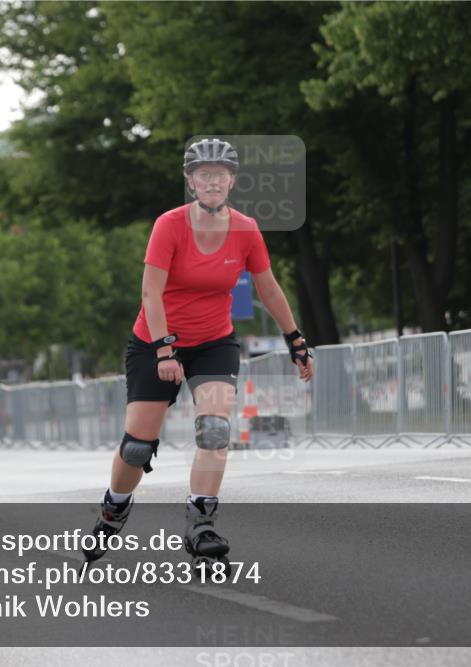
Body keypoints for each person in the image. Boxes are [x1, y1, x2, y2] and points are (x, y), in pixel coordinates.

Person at [82, 138, 314, 573]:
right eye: (203, 174)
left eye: (220, 174)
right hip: (155, 340)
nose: (212, 181)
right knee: (136, 447)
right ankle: (114, 509)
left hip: (213, 342)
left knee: (213, 428)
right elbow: (151, 293)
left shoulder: (245, 228)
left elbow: (267, 287)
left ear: (231, 181)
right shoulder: (169, 225)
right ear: (191, 182)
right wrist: (165, 348)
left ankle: (201, 525)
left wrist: (295, 340)